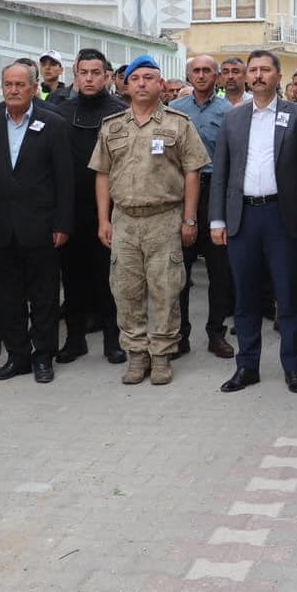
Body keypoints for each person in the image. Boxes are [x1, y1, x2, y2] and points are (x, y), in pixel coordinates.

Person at [208, 50, 297, 394]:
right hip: (242, 218)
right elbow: (221, 173)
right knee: (245, 298)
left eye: (265, 70)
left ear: (277, 76)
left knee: (287, 297)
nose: (258, 75)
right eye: (252, 70)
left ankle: (293, 368)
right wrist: (216, 220)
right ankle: (248, 367)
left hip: (281, 218)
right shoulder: (233, 118)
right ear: (245, 77)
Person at [92, 55, 208, 385]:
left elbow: (192, 173)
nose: (142, 83)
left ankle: (161, 356)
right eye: (136, 78)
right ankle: (136, 354)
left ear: (161, 84)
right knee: (126, 290)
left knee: (166, 289)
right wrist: (104, 219)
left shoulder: (178, 123)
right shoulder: (112, 126)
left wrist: (189, 220)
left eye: (149, 78)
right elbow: (102, 174)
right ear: (125, 85)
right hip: (125, 219)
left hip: (165, 219)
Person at [0, 62, 74, 384]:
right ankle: (17, 356)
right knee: (8, 297)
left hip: (42, 228)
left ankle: (43, 355)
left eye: (20, 84)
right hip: (2, 228)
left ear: (34, 88)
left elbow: (64, 180)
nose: (13, 90)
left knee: (44, 297)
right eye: (8, 84)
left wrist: (62, 223)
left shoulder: (54, 125)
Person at [56, 49, 129, 365]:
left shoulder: (121, 112)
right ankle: (74, 340)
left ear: (107, 76)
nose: (89, 78)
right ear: (75, 74)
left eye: (95, 72)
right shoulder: (59, 112)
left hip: (111, 210)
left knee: (109, 280)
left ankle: (114, 341)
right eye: (83, 72)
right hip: (70, 208)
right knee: (72, 279)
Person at [169, 54, 236, 360]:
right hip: (180, 195)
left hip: (215, 193)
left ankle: (216, 332)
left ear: (218, 77)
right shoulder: (174, 110)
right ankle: (180, 335)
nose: (201, 75)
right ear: (189, 75)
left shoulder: (230, 112)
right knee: (179, 269)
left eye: (207, 70)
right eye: (195, 70)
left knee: (218, 269)